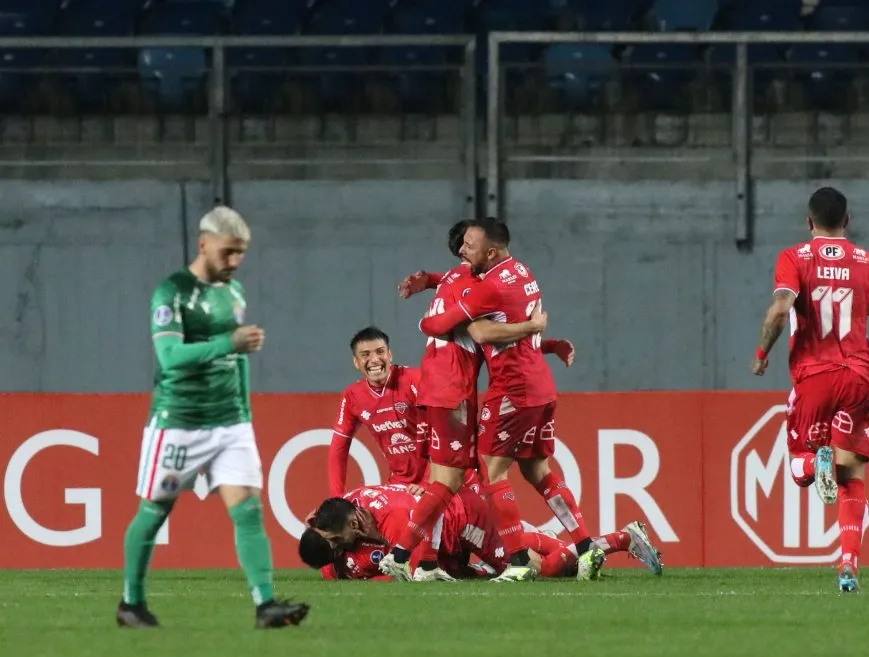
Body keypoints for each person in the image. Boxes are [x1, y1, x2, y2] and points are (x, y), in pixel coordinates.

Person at [117, 206, 309, 629]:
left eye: (241, 253)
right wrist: (228, 342)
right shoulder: (171, 292)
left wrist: (243, 411)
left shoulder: (233, 293)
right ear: (203, 243)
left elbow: (237, 358)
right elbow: (169, 358)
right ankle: (131, 603)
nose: (235, 262)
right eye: (228, 252)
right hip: (178, 421)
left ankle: (266, 604)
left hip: (230, 423)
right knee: (154, 511)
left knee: (248, 511)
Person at [403, 217, 603, 583]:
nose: (464, 253)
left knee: (491, 472)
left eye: (469, 247)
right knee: (537, 471)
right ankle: (588, 547)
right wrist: (545, 338)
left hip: (512, 388)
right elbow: (510, 313)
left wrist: (424, 320)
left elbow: (461, 328)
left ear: (490, 252)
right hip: (541, 385)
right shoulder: (523, 272)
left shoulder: (488, 287)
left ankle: (517, 561)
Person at [376, 220, 556, 583]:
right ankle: (514, 557)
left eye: (468, 246)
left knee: (444, 482)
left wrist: (427, 279)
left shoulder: (455, 279)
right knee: (461, 479)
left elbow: (449, 284)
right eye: (464, 245)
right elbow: (448, 328)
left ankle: (419, 562)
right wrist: (535, 330)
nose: (464, 252)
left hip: (437, 388)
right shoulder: (476, 283)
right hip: (452, 391)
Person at [750, 187, 869, 593]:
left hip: (813, 377)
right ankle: (848, 563)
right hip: (858, 378)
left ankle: (814, 463)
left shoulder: (794, 258)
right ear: (847, 221)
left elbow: (782, 308)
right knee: (852, 472)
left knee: (802, 469)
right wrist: (865, 303)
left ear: (809, 222)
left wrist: (761, 351)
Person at [299, 487, 663, 580]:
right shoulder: (348, 507)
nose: (338, 551)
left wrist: (463, 572)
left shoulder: (395, 520)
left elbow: (416, 570)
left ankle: (623, 538)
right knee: (532, 556)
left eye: (334, 543)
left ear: (354, 526)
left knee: (543, 569)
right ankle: (539, 537)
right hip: (451, 527)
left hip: (465, 521)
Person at [328, 326, 428, 498]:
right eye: (365, 355)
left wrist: (429, 482)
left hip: (437, 480)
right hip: (400, 485)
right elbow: (338, 450)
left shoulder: (415, 380)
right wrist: (337, 499)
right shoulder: (353, 396)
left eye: (380, 352)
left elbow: (443, 433)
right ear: (356, 362)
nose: (374, 360)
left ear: (390, 355)